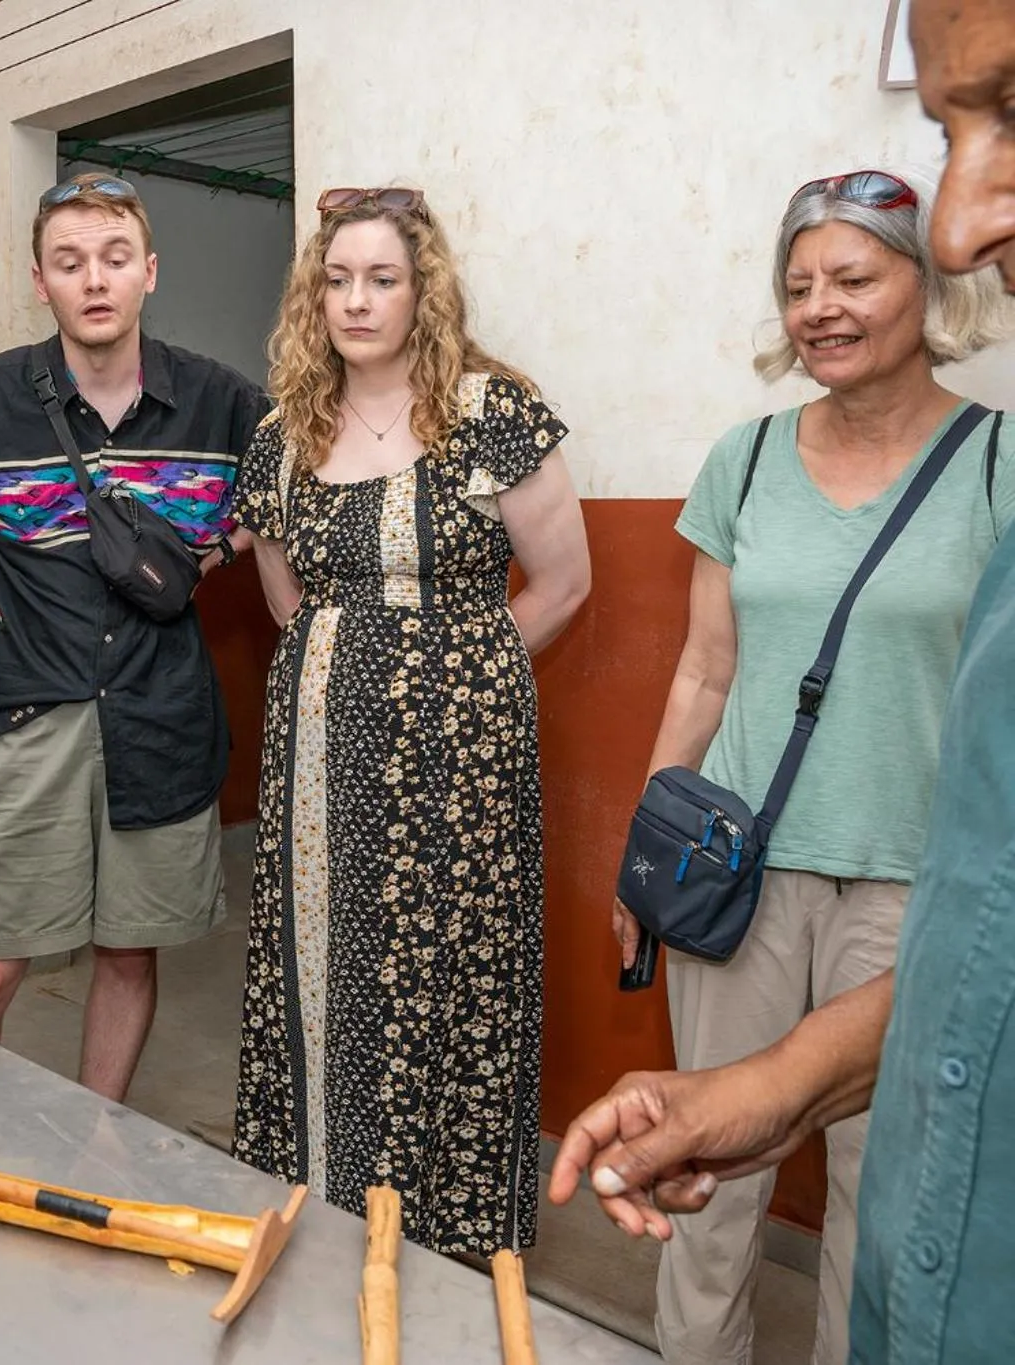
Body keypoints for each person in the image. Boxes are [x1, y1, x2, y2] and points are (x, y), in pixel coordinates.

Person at [551, 6, 1015, 1362]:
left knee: (887, 1190)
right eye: (800, 284)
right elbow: (705, 667)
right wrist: (646, 859)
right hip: (737, 868)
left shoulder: (997, 466)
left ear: (924, 290)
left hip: (912, 882)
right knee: (705, 1183)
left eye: (853, 278)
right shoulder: (743, 461)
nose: (822, 308)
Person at [230, 187, 590, 1255]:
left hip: (462, 754)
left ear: (420, 290)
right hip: (316, 754)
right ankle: (320, 1196)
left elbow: (564, 583)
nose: (355, 300)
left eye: (380, 279)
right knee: (318, 961)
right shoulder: (282, 433)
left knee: (445, 967)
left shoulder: (490, 413)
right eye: (336, 280)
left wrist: (449, 680)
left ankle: (443, 1225)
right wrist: (356, 683)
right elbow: (285, 598)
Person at [0, 172, 267, 1103]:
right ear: (41, 281)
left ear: (149, 271)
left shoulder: (221, 401)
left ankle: (100, 1138)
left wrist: (213, 554)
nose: (94, 279)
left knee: (128, 953)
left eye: (113, 258)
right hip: (33, 709)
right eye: (70, 262)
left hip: (162, 713)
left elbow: (285, 500)